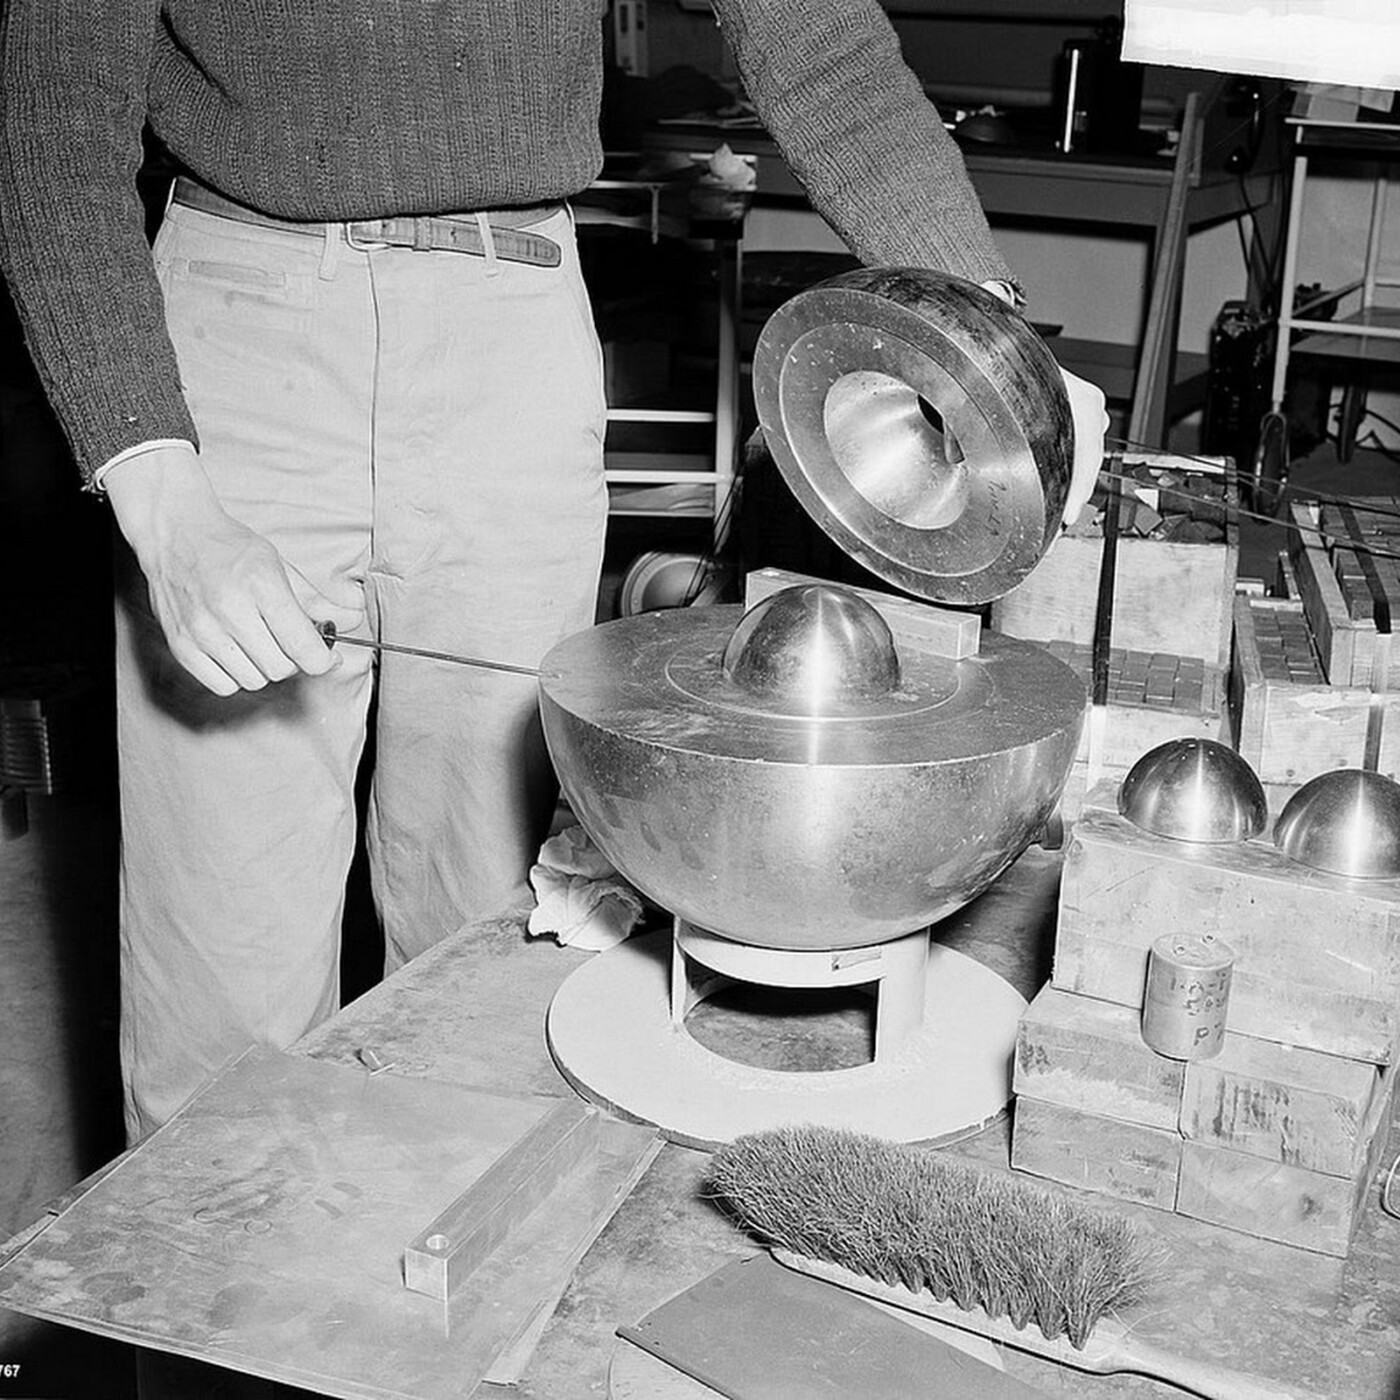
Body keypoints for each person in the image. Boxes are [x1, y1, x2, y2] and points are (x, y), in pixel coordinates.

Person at [0, 0, 1107, 1145]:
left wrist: (984, 342)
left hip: (511, 325)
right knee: (221, 963)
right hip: (237, 329)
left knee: (483, 939)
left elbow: (815, 43)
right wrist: (157, 487)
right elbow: (50, 117)